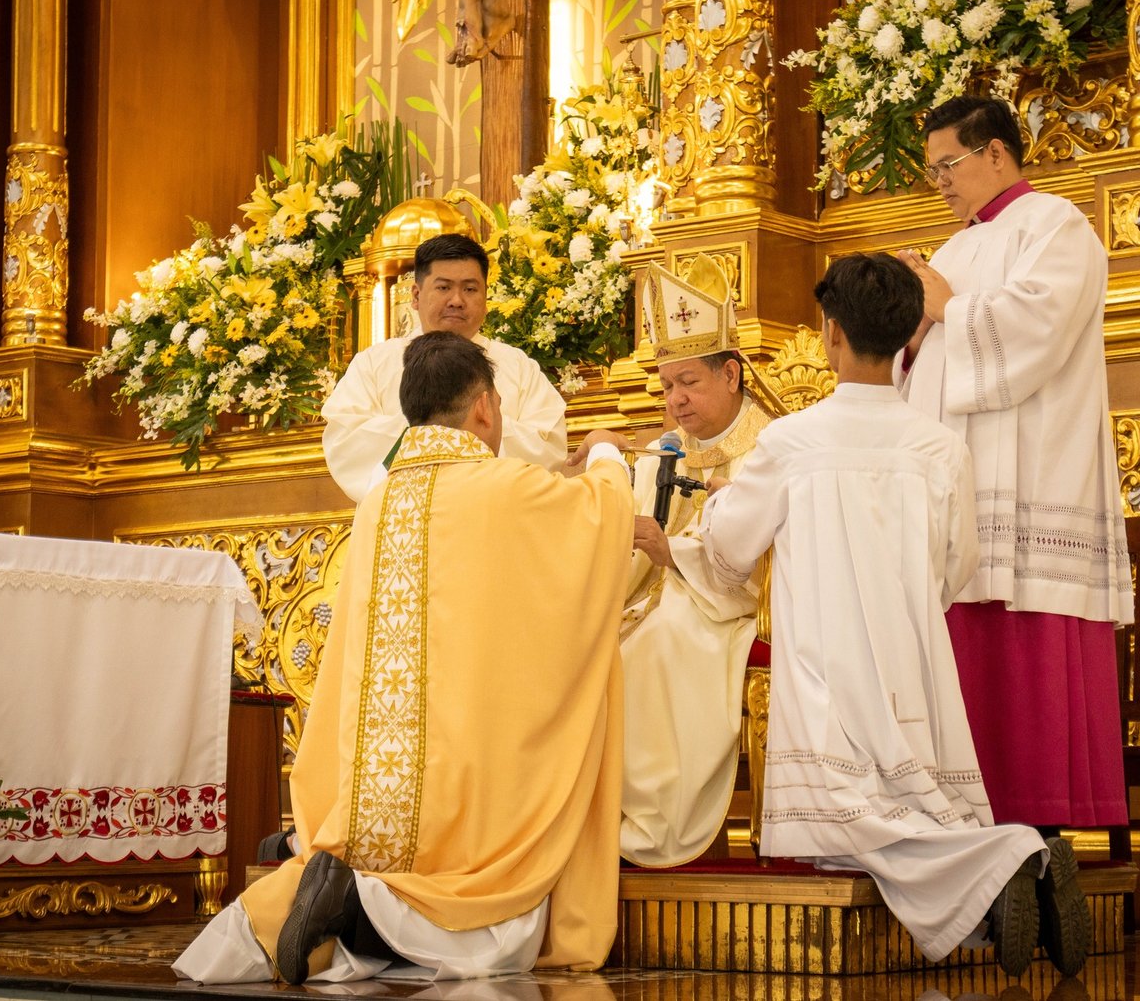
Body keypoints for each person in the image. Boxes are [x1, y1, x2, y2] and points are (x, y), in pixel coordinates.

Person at [176, 332, 636, 983]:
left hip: (381, 789)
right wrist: (609, 452)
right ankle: (359, 905)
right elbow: (603, 521)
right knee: (497, 936)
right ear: (484, 407)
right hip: (468, 781)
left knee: (397, 862)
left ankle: (319, 897)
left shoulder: (380, 500)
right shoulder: (505, 486)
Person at [695, 252, 1089, 977]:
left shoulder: (790, 442)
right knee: (897, 812)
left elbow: (727, 547)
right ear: (910, 335)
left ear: (831, 334)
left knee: (840, 830)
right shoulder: (940, 447)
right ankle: (1005, 879)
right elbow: (957, 565)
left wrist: (716, 507)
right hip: (913, 663)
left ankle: (1011, 856)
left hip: (825, 668)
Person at [897, 95, 1132, 834]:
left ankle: (1040, 832)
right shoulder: (953, 250)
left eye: (948, 165)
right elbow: (927, 363)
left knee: (1023, 644)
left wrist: (946, 310)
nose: (940, 181)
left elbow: (1039, 326)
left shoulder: (1056, 225)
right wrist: (910, 336)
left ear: (995, 152)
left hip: (1034, 468)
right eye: (933, 169)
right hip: (958, 477)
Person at [574, 256, 773, 866]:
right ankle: (593, 825)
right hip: (659, 600)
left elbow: (769, 569)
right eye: (666, 386)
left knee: (657, 646)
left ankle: (651, 829)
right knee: (583, 645)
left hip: (731, 612)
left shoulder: (771, 449)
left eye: (688, 381)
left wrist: (674, 553)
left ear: (731, 373)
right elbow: (629, 541)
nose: (675, 399)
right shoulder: (667, 452)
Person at [321, 233, 567, 502]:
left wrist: (453, 431)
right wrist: (451, 427)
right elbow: (345, 442)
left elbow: (548, 445)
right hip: (405, 513)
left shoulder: (517, 366)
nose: (456, 300)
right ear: (416, 295)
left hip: (494, 511)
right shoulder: (374, 364)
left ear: (485, 297)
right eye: (443, 287)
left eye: (470, 289)